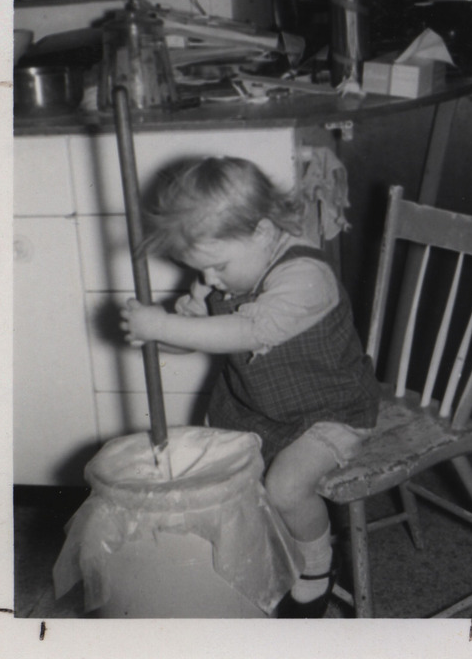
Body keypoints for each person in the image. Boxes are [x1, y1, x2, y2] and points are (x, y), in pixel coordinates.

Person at [120, 155, 380, 618]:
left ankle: (319, 567)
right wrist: (165, 335)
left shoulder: (305, 278)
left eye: (217, 267)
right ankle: (273, 550)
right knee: (223, 475)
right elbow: (198, 341)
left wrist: (165, 326)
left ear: (261, 232)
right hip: (258, 407)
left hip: (331, 410)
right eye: (201, 270)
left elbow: (246, 334)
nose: (209, 281)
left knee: (284, 487)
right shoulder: (223, 273)